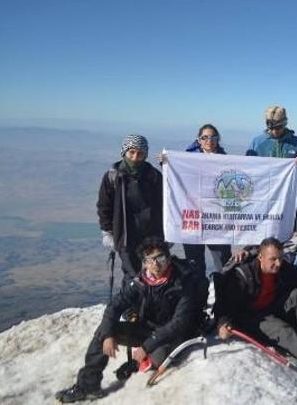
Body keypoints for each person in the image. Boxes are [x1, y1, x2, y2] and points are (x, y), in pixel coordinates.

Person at [55, 238, 207, 403]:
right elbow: (115, 305)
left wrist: (146, 347)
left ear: (168, 258)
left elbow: (179, 323)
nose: (156, 264)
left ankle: (136, 364)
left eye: (160, 258)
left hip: (173, 335)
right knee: (104, 331)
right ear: (144, 263)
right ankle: (88, 386)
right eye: (149, 260)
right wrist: (108, 335)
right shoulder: (141, 281)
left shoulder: (183, 283)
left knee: (158, 358)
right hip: (147, 329)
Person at [214, 237, 297, 375]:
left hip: (272, 307)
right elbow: (224, 303)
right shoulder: (243, 275)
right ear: (260, 257)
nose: (278, 263)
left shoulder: (282, 268)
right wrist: (223, 323)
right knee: (283, 330)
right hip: (252, 317)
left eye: (280, 258)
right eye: (273, 259)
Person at [97, 134, 163, 286]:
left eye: (140, 153)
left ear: (145, 155)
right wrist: (107, 231)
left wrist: (166, 232)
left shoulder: (154, 176)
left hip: (152, 234)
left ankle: (152, 306)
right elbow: (104, 206)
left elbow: (164, 204)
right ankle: (132, 308)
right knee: (132, 275)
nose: (135, 157)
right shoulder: (113, 176)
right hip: (125, 235)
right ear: (124, 152)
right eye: (131, 152)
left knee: (155, 271)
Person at [245, 105, 297, 230]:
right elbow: (246, 170)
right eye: (271, 127)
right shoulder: (257, 142)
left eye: (278, 127)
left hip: (288, 199)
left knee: (287, 233)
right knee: (260, 232)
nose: (274, 131)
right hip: (263, 197)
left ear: (285, 123)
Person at [180, 124, 232, 274]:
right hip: (193, 218)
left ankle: (224, 295)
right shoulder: (186, 160)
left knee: (223, 262)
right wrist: (166, 162)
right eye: (205, 137)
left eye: (213, 137)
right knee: (194, 264)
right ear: (199, 140)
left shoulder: (227, 160)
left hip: (217, 220)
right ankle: (198, 296)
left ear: (218, 139)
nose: (209, 140)